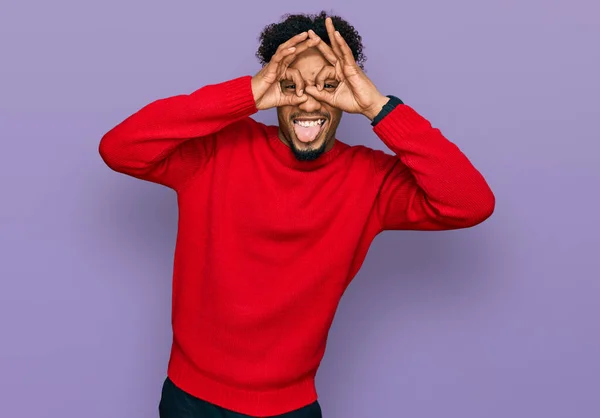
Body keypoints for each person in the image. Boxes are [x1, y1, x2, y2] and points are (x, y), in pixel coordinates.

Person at [99, 11, 495, 418]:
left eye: (328, 85)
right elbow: (120, 148)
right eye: (291, 85)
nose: (308, 101)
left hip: (291, 408)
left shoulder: (371, 180)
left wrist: (379, 107)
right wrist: (245, 96)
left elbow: (471, 203)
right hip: (190, 399)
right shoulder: (215, 152)